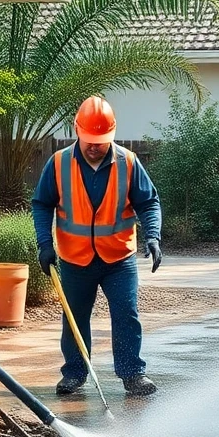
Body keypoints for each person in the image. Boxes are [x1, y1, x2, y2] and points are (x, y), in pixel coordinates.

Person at [31, 96, 164, 397]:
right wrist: (44, 244)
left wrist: (153, 236)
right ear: (77, 130)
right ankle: (75, 374)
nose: (94, 146)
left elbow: (149, 202)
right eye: (89, 140)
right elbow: (41, 204)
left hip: (119, 257)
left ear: (112, 134)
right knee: (74, 316)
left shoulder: (128, 162)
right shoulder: (59, 163)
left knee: (126, 313)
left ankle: (133, 375)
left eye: (100, 141)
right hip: (76, 258)